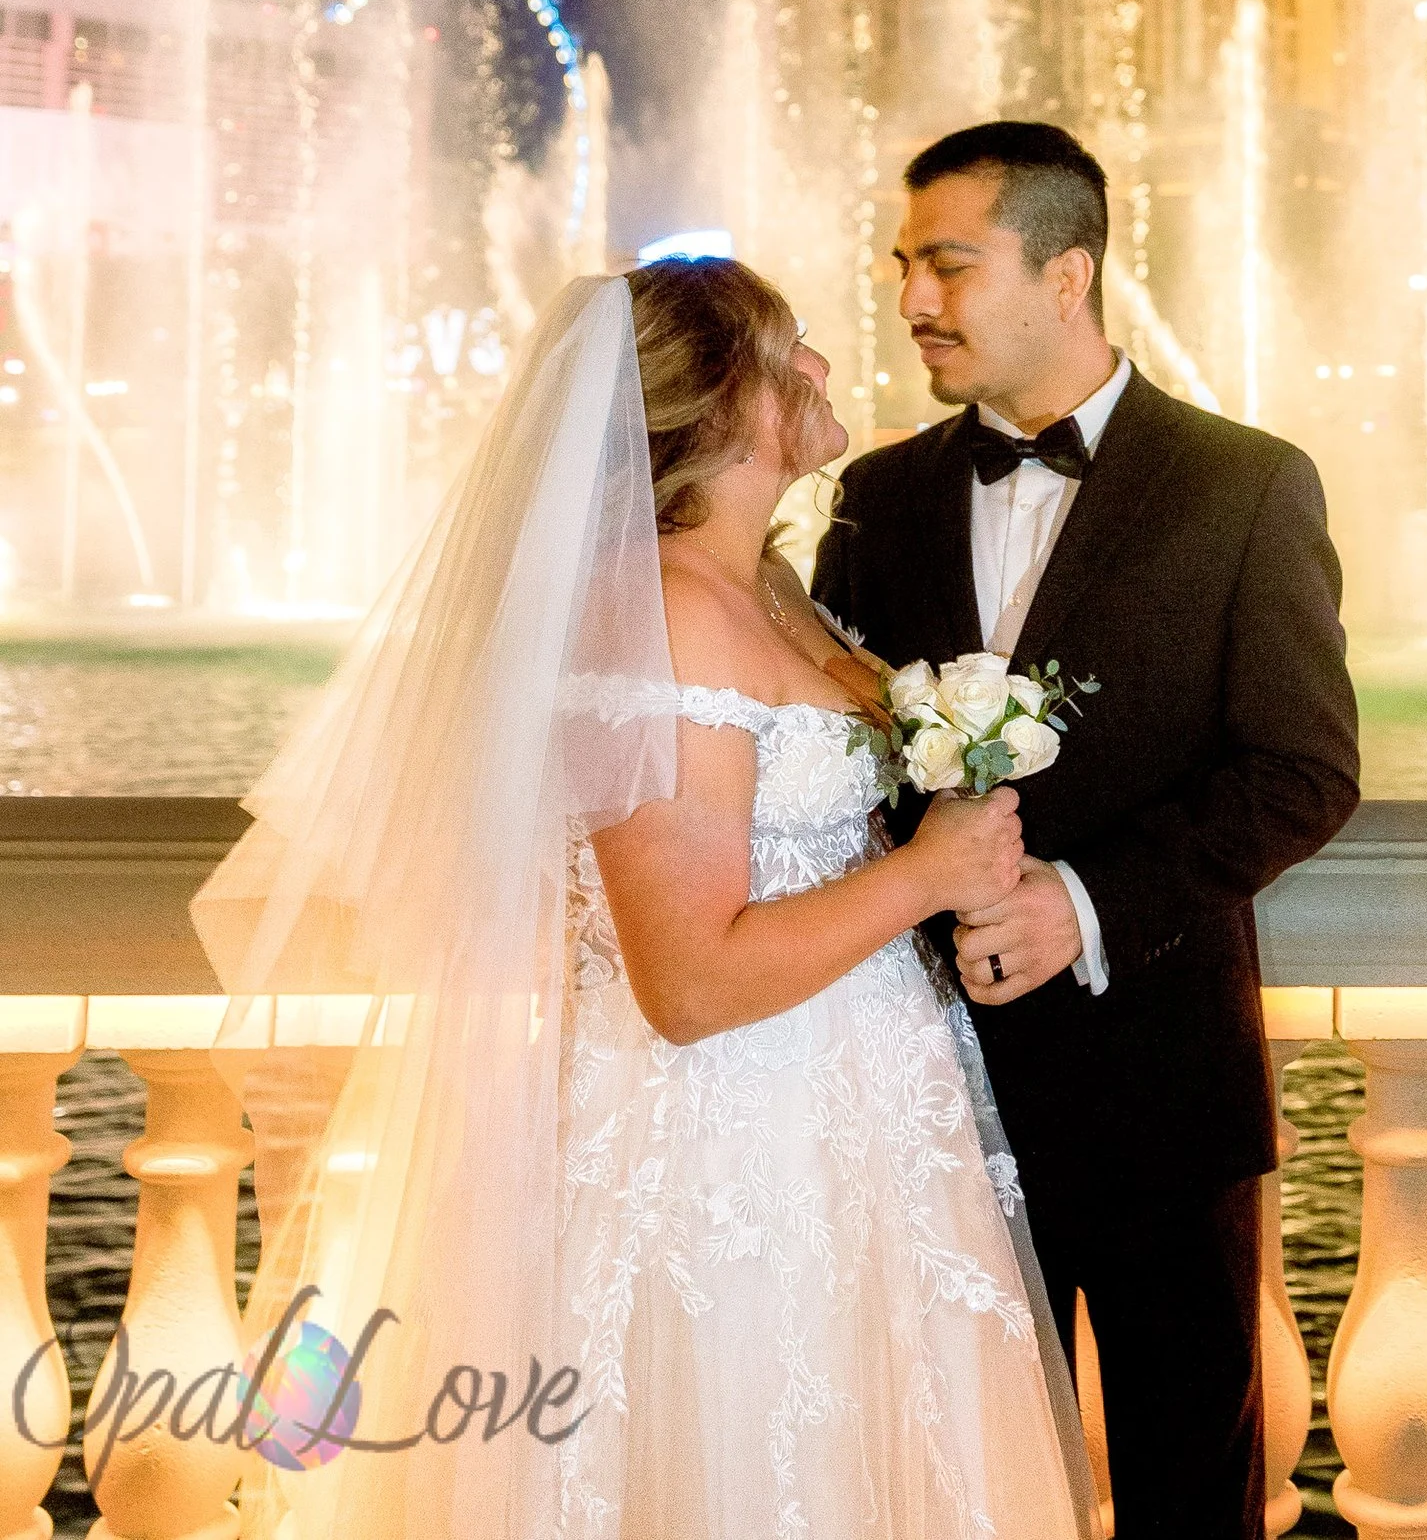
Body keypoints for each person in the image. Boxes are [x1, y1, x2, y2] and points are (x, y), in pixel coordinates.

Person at [196, 261, 1096, 1539]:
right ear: (726, 398)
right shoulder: (661, 619)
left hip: (855, 1121)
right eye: (792, 348)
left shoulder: (771, 587)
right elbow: (687, 982)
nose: (826, 368)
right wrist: (925, 874)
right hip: (729, 1146)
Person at [813, 121, 1362, 1540]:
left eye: (948, 262)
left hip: (1161, 1091)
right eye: (903, 264)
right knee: (954, 1489)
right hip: (925, 1086)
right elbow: (834, 762)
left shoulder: (1248, 483)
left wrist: (1085, 900)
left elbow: (1303, 768)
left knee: (1194, 1487)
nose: (912, 298)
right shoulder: (878, 498)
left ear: (1069, 274)